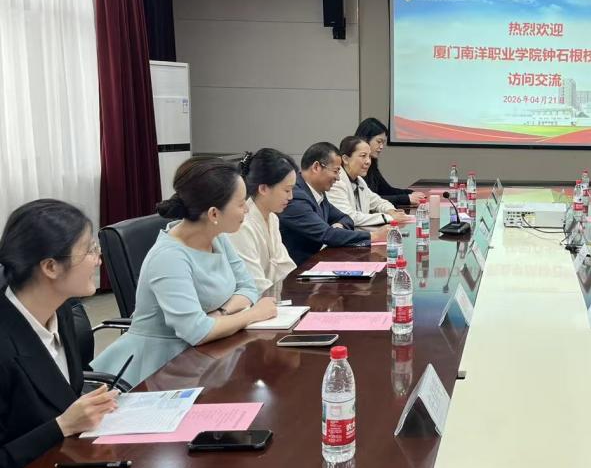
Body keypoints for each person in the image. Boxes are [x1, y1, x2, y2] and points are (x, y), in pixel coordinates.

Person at [93, 157, 278, 389]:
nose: (247, 209)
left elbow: (248, 288)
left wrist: (220, 314)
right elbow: (197, 332)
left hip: (207, 355)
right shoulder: (169, 257)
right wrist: (253, 314)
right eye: (241, 204)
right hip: (160, 368)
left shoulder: (217, 237)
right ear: (213, 214)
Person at [0, 200, 120, 468]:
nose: (98, 259)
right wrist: (62, 425)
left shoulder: (61, 309)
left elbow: (62, 395)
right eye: (89, 250)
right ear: (51, 267)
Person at [279, 142, 386, 266]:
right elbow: (326, 234)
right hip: (298, 270)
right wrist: (374, 236)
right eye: (335, 171)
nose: (338, 178)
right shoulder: (295, 197)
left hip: (317, 263)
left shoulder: (318, 192)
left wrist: (339, 225)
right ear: (316, 167)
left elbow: (345, 218)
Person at [229, 149, 298, 293]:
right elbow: (254, 283)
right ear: (263, 188)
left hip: (273, 296)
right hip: (254, 300)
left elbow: (284, 266)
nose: (291, 197)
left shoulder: (272, 218)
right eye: (287, 190)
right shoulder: (242, 225)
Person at [328, 136, 408, 228]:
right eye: (363, 156)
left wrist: (392, 211)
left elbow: (378, 202)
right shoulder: (335, 182)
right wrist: (389, 217)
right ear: (345, 159)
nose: (368, 161)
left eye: (369, 156)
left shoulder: (359, 180)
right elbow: (349, 217)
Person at [354, 118, 425, 208]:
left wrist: (410, 193)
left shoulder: (372, 164)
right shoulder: (356, 166)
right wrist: (406, 198)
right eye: (379, 142)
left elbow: (386, 190)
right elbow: (369, 200)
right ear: (365, 139)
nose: (381, 147)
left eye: (383, 143)